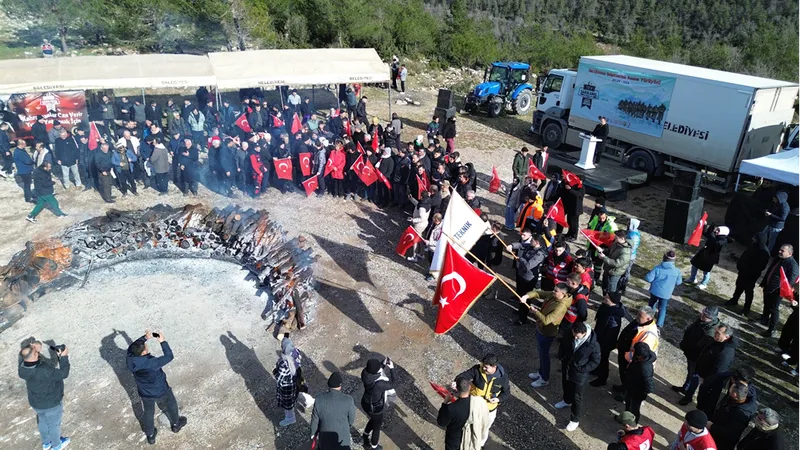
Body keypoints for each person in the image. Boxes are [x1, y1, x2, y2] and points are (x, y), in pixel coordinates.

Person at [126, 330, 187, 444]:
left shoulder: (130, 359)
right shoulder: (151, 362)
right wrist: (162, 341)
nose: (146, 347)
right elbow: (169, 356)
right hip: (161, 389)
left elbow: (131, 347)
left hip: (144, 392)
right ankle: (175, 424)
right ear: (144, 353)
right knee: (171, 403)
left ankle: (150, 435)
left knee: (148, 412)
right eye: (145, 347)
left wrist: (145, 337)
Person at [18, 339, 71, 450]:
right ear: (34, 355)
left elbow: (25, 355)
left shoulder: (22, 368)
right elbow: (63, 373)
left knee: (42, 421)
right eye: (36, 352)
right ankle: (56, 445)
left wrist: (33, 349)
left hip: (36, 403)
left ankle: (46, 443)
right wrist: (64, 357)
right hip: (51, 403)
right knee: (54, 424)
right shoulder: (44, 370)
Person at [454, 353, 510, 447]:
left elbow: (506, 393)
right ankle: (467, 442)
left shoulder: (503, 378)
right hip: (473, 405)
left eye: (486, 367)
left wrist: (498, 399)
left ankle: (480, 445)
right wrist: (457, 382)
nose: (483, 369)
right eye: (483, 366)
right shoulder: (477, 369)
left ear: (494, 367)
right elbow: (463, 376)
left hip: (490, 410)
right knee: (469, 424)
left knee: (484, 428)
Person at [522, 283, 572, 388]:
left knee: (544, 356)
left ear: (563, 294)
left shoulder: (561, 306)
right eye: (554, 290)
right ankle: (541, 372)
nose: (553, 292)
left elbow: (547, 320)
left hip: (547, 333)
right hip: (541, 329)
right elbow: (539, 293)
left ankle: (544, 378)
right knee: (541, 353)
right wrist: (527, 296)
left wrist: (535, 312)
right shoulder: (554, 296)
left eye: (556, 291)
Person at [556, 321, 600, 431]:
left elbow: (595, 361)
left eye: (577, 336)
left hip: (580, 374)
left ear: (584, 333)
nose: (575, 337)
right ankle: (566, 401)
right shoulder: (570, 333)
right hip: (567, 367)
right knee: (565, 384)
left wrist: (583, 369)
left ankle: (575, 420)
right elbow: (563, 344)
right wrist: (561, 356)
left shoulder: (593, 344)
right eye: (573, 334)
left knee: (577, 396)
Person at [680, 323, 737, 406]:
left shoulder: (726, 352)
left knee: (702, 394)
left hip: (707, 377)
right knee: (693, 383)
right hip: (699, 369)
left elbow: (719, 370)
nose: (715, 334)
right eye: (715, 331)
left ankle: (699, 407)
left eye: (718, 333)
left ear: (726, 337)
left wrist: (707, 379)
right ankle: (688, 397)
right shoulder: (715, 340)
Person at [673, 306, 720, 403]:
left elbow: (701, 348)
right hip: (691, 354)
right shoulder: (702, 322)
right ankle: (685, 388)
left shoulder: (710, 332)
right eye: (703, 313)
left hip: (696, 358)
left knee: (693, 377)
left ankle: (688, 396)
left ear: (712, 318)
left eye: (705, 315)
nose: (702, 315)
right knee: (690, 373)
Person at [612, 307, 658, 395]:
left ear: (649, 318)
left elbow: (641, 353)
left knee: (629, 377)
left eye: (640, 315)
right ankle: (624, 387)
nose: (637, 316)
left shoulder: (649, 334)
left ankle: (625, 394)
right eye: (638, 313)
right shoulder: (641, 322)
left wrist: (627, 356)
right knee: (624, 374)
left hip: (632, 360)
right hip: (626, 354)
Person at [591, 292, 632, 387]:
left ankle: (602, 379)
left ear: (612, 301)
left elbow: (611, 333)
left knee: (603, 359)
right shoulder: (606, 307)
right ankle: (596, 370)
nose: (604, 297)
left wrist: (603, 345)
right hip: (600, 337)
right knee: (598, 357)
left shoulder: (614, 316)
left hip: (605, 342)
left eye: (607, 297)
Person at [725, 232, 770, 315]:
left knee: (748, 291)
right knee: (739, 286)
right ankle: (734, 299)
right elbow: (745, 256)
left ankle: (746, 308)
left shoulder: (764, 252)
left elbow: (761, 266)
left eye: (755, 238)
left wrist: (749, 270)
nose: (753, 239)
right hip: (743, 271)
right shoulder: (752, 245)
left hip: (751, 275)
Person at [760, 244, 800, 337]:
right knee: (766, 304)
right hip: (769, 286)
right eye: (780, 250)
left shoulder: (793, 265)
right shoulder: (778, 259)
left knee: (774, 309)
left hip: (777, 291)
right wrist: (764, 282)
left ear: (789, 253)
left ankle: (771, 330)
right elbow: (770, 271)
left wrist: (780, 291)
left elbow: (790, 282)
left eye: (782, 251)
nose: (780, 252)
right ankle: (764, 319)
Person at [310, 372, 357, 449]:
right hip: (342, 438)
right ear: (340, 385)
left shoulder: (319, 399)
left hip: (325, 439)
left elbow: (315, 420)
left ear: (328, 385)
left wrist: (313, 433)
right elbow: (351, 419)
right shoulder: (348, 400)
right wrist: (347, 425)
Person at [708, 382, 757, 450]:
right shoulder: (743, 401)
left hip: (722, 442)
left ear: (734, 395)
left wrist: (712, 426)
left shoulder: (740, 413)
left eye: (730, 389)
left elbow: (731, 433)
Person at [360, 358, 396, 450]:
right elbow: (393, 384)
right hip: (375, 408)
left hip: (365, 403)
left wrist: (383, 364)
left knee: (374, 420)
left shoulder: (364, 373)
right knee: (377, 428)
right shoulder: (379, 383)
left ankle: (365, 436)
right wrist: (392, 368)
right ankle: (374, 447)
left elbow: (375, 369)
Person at [506, 229, 547, 305]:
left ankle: (523, 313)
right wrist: (511, 245)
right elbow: (521, 245)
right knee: (520, 291)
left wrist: (520, 259)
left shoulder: (540, 254)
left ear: (537, 242)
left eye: (532, 240)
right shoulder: (530, 246)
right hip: (522, 273)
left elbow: (529, 265)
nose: (530, 241)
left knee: (525, 297)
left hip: (529, 278)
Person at [644, 250, 683, 327]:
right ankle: (659, 324)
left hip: (655, 291)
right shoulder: (677, 271)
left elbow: (648, 278)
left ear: (664, 258)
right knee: (662, 308)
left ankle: (648, 318)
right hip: (666, 294)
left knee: (651, 304)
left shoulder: (657, 268)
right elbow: (679, 282)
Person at [621, 342, 655, 424]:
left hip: (636, 393)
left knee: (634, 409)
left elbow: (650, 387)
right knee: (627, 403)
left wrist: (640, 391)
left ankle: (633, 424)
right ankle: (625, 419)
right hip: (630, 387)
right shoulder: (642, 358)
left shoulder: (644, 368)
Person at [437, 376, 474, 450]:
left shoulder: (451, 408)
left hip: (454, 439)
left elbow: (441, 423)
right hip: (470, 436)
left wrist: (445, 403)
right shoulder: (476, 403)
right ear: (469, 387)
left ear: (456, 389)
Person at [688, 225, 729, 290]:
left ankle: (704, 284)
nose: (716, 231)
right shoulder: (714, 235)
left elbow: (716, 243)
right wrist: (705, 226)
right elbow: (706, 233)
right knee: (694, 265)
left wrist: (712, 234)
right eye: (717, 229)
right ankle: (692, 278)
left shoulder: (723, 240)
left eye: (718, 230)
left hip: (711, 257)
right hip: (703, 253)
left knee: (706, 271)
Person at [274, 337, 302, 427]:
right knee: (292, 399)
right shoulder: (296, 353)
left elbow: (279, 378)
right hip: (294, 382)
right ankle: (291, 414)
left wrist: (275, 371)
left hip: (286, 386)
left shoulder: (284, 362)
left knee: (287, 404)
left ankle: (290, 418)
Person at [586, 206, 617, 284]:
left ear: (606, 215)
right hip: (592, 243)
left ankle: (596, 278)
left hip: (602, 247)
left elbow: (614, 237)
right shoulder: (595, 218)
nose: (601, 220)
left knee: (598, 265)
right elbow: (590, 226)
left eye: (603, 218)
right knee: (590, 261)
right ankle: (589, 275)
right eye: (600, 218)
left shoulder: (611, 224)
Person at [597, 230, 631, 294]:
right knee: (604, 286)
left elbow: (617, 264)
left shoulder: (625, 251)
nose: (615, 238)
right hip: (607, 269)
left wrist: (604, 258)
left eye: (616, 237)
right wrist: (603, 250)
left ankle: (609, 301)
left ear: (622, 238)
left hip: (615, 272)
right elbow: (610, 250)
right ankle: (605, 298)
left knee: (611, 289)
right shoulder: (616, 243)